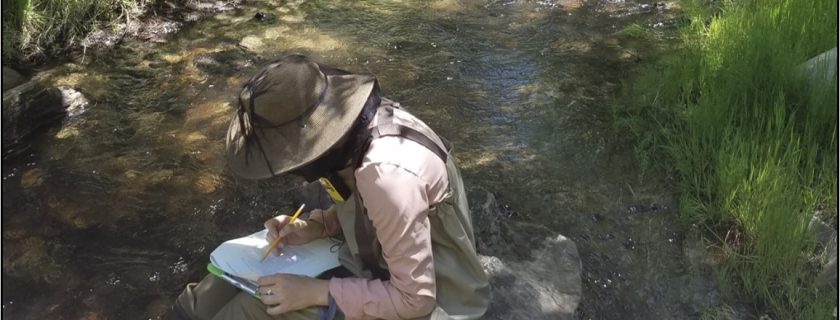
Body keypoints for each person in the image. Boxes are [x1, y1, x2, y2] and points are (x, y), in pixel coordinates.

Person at [172, 54, 490, 320]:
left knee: (249, 309)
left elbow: (415, 300)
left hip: (436, 304)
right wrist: (316, 226)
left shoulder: (387, 175)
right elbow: (368, 211)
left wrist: (314, 292)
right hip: (376, 264)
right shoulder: (355, 132)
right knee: (206, 296)